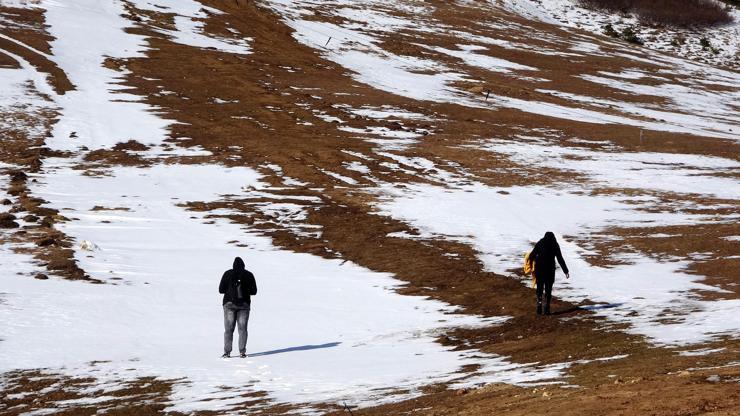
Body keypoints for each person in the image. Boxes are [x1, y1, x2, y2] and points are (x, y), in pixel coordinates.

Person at [219, 257, 257, 358]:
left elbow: (221, 290)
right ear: (243, 265)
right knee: (242, 329)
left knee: (228, 329)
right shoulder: (249, 274)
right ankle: (242, 352)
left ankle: (227, 352)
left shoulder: (227, 273)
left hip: (229, 304)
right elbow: (254, 291)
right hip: (244, 305)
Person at [528, 232, 569, 315]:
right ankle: (547, 307)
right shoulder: (555, 244)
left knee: (539, 287)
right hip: (550, 270)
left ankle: (539, 304)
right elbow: (560, 259)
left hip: (539, 269)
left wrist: (531, 265)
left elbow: (531, 255)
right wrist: (566, 271)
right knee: (548, 289)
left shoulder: (540, 243)